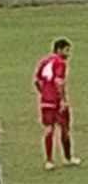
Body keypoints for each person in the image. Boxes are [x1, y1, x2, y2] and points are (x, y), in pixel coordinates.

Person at [34, 39, 81, 170]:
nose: (68, 54)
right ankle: (68, 158)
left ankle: (49, 161)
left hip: (45, 101)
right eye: (66, 50)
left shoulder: (44, 61)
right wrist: (62, 100)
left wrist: (44, 93)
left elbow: (37, 81)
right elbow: (58, 82)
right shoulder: (60, 63)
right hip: (56, 102)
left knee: (49, 130)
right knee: (64, 129)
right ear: (59, 50)